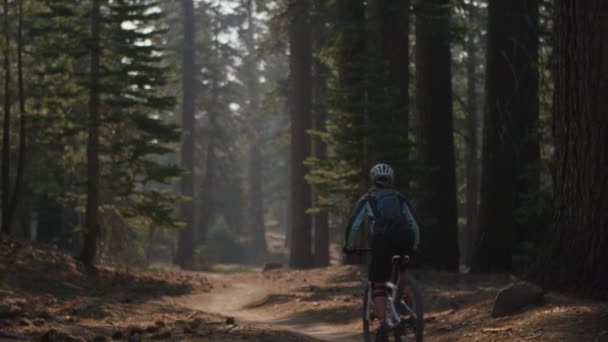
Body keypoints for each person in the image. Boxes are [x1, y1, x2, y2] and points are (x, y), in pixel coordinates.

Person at [343, 163, 420, 337]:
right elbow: (414, 224)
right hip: (404, 238)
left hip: (382, 241)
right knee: (402, 270)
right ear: (391, 179)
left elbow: (354, 225)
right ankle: (405, 304)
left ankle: (384, 323)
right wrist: (414, 246)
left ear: (373, 180)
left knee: (378, 283)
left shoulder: (368, 199)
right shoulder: (400, 198)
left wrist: (349, 247)